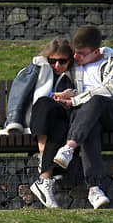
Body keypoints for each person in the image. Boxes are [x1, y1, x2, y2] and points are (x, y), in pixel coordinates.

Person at [51, 25, 113, 209]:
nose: (75, 57)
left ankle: (69, 148)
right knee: (91, 126)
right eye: (74, 52)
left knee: (97, 100)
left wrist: (75, 101)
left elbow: (111, 90)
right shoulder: (75, 64)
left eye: (81, 53)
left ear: (95, 52)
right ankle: (94, 189)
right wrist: (67, 94)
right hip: (89, 118)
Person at [25, 39, 75, 209]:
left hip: (66, 116)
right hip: (42, 118)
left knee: (57, 120)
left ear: (70, 60)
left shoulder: (74, 75)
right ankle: (45, 176)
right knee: (45, 104)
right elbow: (32, 97)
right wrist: (56, 95)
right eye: (52, 61)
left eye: (62, 61)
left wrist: (69, 97)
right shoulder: (41, 74)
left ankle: (43, 173)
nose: (57, 65)